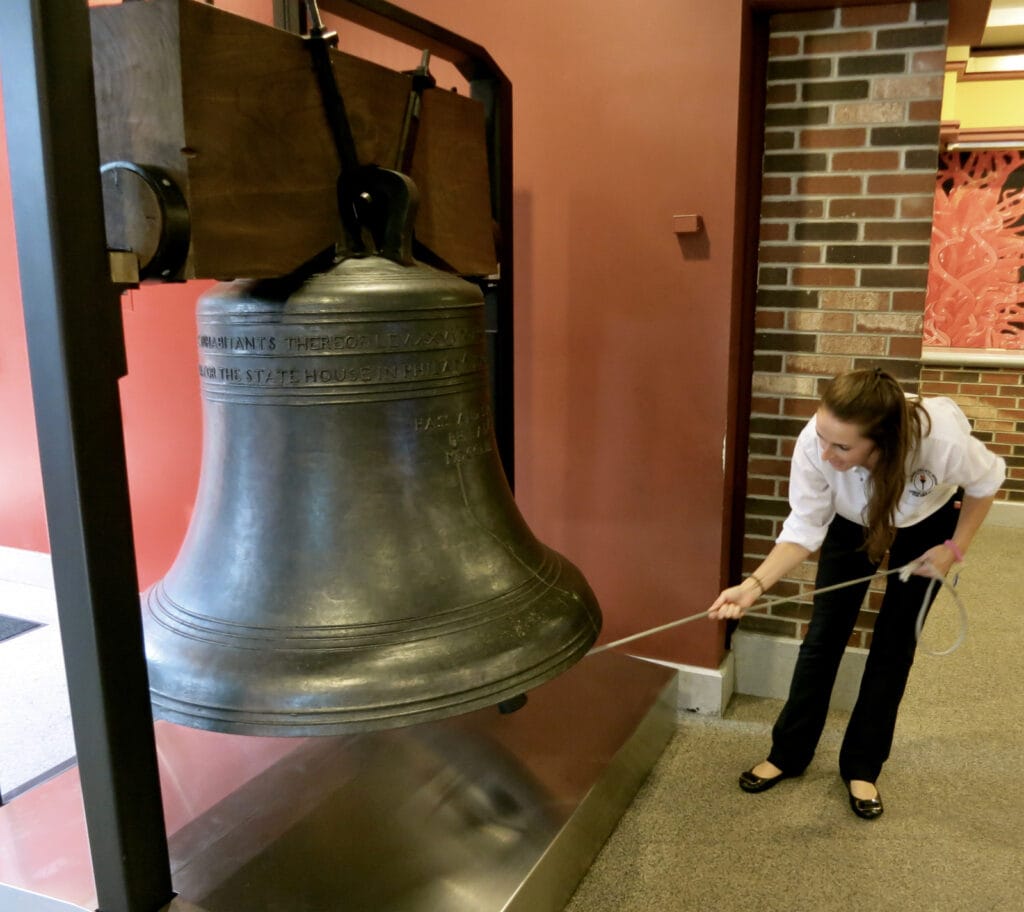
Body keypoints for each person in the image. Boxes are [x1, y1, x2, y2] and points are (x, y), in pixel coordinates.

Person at [708, 368, 1005, 819]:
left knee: (894, 642)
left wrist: (953, 550)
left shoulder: (940, 440)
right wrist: (753, 587)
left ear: (881, 442)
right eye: (823, 438)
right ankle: (788, 754)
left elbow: (986, 484)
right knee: (825, 633)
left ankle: (863, 766)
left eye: (842, 446)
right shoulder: (816, 443)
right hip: (851, 518)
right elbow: (805, 527)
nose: (825, 453)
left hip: (928, 521)